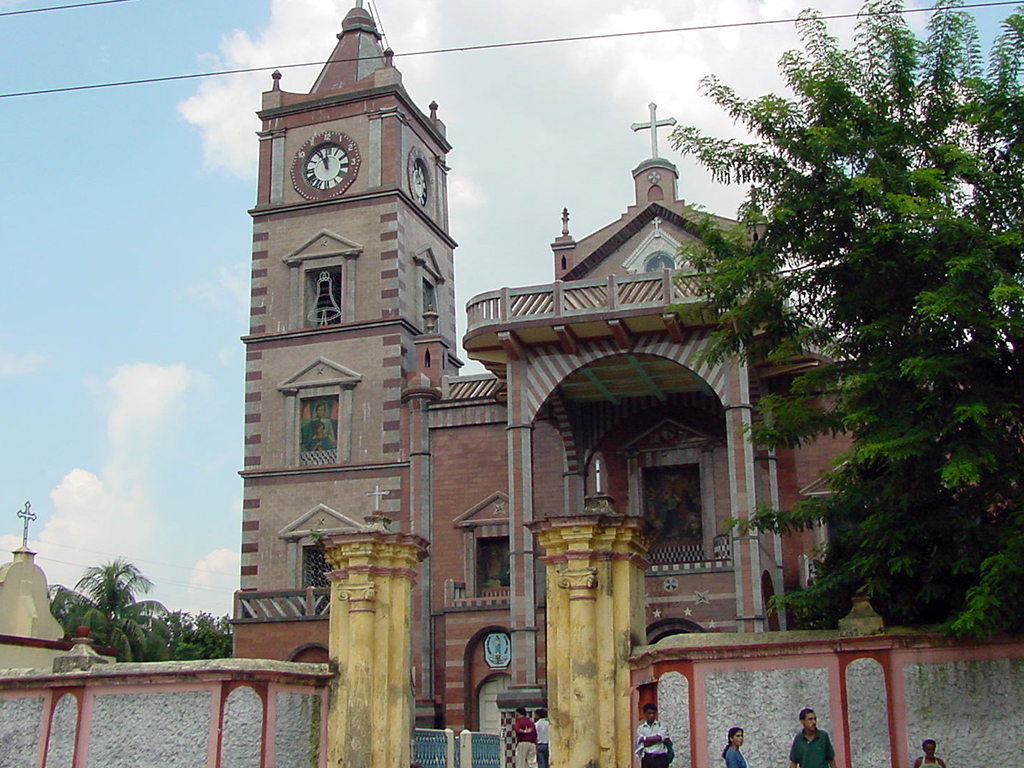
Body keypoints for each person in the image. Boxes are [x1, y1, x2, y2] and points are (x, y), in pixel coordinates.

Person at [635, 702, 672, 768]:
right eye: (649, 713)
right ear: (645, 714)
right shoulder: (641, 728)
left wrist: (645, 739)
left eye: (653, 713)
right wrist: (656, 740)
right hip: (647, 758)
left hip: (660, 758)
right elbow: (642, 744)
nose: (651, 715)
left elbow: (660, 738)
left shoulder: (661, 726)